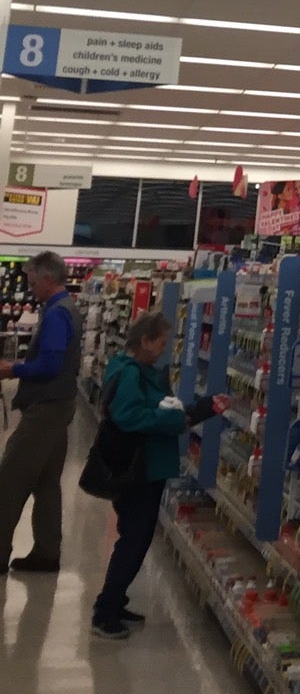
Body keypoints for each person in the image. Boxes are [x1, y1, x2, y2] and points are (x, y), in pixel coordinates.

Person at [92, 311, 229, 641]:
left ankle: (114, 601)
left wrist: (199, 409)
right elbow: (130, 416)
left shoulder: (138, 371)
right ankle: (105, 612)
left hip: (144, 466)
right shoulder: (129, 373)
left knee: (135, 537)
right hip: (138, 469)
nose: (164, 349)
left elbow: (160, 408)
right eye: (162, 343)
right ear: (145, 341)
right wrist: (175, 420)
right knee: (134, 539)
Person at [0, 251, 82, 574]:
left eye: (33, 282)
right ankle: (47, 553)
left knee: (10, 479)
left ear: (48, 278)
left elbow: (50, 365)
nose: (31, 288)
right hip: (60, 404)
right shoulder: (66, 308)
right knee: (47, 483)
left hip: (45, 410)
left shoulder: (57, 314)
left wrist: (13, 369)